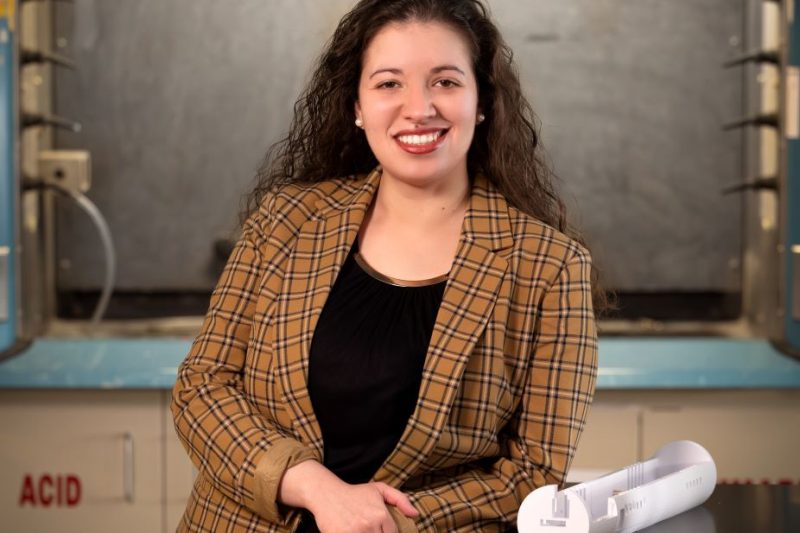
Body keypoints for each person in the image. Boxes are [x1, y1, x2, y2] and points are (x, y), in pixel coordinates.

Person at [171, 0, 601, 531]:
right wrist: (318, 489)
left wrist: (385, 521)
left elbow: (533, 473)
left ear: (482, 102)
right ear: (357, 105)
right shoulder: (285, 220)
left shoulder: (551, 267)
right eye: (389, 83)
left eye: (445, 82)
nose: (419, 108)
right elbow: (202, 386)